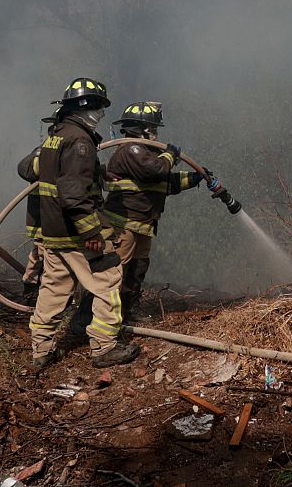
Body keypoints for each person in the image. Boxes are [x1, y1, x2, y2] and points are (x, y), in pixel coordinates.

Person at [18, 78, 140, 371]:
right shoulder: (80, 141)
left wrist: (97, 174)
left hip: (54, 231)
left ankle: (41, 351)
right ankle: (104, 347)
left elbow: (55, 175)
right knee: (109, 279)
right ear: (84, 107)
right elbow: (73, 194)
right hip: (76, 233)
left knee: (54, 288)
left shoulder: (56, 137)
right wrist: (92, 234)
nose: (99, 113)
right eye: (97, 106)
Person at [70, 102, 215, 329]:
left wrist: (193, 178)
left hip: (144, 223)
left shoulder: (147, 154)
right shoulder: (131, 149)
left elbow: (161, 183)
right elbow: (155, 170)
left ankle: (127, 310)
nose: (155, 132)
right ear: (141, 128)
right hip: (124, 224)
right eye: (152, 127)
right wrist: (171, 155)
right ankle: (85, 319)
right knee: (114, 271)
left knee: (137, 270)